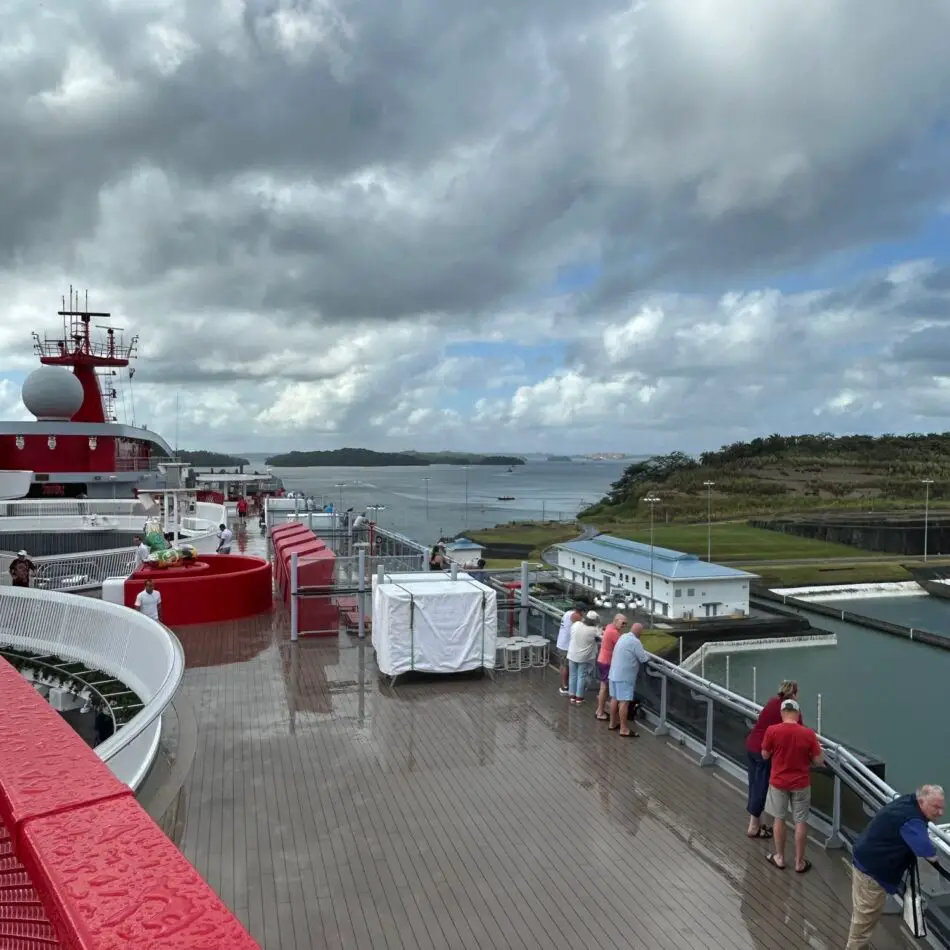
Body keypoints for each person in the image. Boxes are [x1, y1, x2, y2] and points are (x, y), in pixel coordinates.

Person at [846, 784, 947, 949]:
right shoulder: (912, 820)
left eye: (942, 808)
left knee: (864, 912)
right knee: (865, 916)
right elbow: (927, 851)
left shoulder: (908, 800)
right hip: (872, 870)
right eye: (936, 807)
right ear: (921, 802)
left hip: (865, 856)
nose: (941, 813)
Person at [762, 698, 823, 873]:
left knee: (779, 819)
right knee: (800, 822)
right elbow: (819, 760)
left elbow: (765, 755)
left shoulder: (772, 731)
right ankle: (799, 862)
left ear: (782, 713)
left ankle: (779, 857)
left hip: (778, 782)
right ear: (797, 714)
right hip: (801, 783)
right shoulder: (808, 734)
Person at [744, 680, 800, 839]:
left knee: (754, 785)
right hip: (763, 751)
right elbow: (798, 729)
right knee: (761, 788)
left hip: (752, 745)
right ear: (793, 694)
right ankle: (753, 826)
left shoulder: (772, 703)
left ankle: (757, 823)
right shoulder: (791, 710)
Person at [608, 624, 649, 737]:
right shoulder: (635, 642)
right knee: (624, 702)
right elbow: (643, 658)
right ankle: (624, 729)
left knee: (614, 698)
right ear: (639, 633)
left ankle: (612, 723)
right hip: (625, 677)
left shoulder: (623, 636)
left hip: (613, 673)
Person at [595, 614, 629, 721]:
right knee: (604, 688)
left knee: (603, 686)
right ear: (616, 620)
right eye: (622, 623)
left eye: (625, 623)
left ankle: (599, 710)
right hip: (607, 662)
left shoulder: (609, 627)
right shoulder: (613, 632)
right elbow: (622, 646)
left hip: (602, 659)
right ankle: (600, 711)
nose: (624, 625)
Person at [566, 610, 600, 705]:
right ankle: (579, 697)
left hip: (572, 653)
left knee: (572, 675)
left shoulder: (576, 625)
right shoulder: (594, 630)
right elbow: (601, 636)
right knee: (581, 676)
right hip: (583, 657)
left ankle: (572, 695)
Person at [556, 602, 585, 695]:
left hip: (561, 643)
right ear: (581, 611)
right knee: (566, 666)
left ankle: (564, 684)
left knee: (563, 665)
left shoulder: (568, 613)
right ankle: (564, 687)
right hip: (566, 645)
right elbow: (585, 625)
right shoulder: (576, 616)